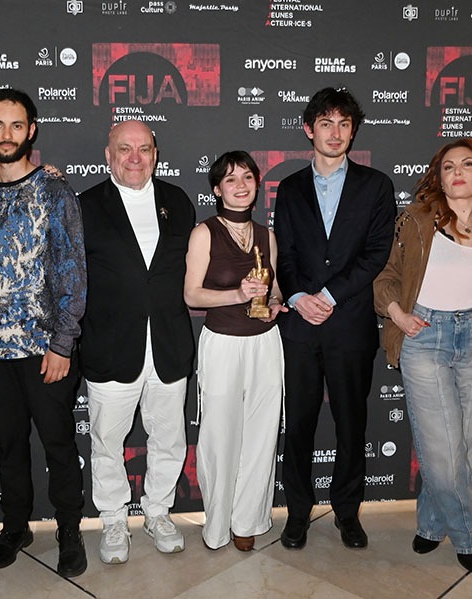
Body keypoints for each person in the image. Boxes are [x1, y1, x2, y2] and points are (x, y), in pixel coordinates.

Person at [373, 138, 472, 574]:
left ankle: (431, 523)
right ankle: (467, 534)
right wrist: (399, 314)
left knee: (468, 445)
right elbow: (386, 276)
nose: (457, 172)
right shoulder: (416, 221)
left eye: (467, 164)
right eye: (448, 167)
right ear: (438, 178)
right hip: (424, 334)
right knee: (441, 448)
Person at [0, 88, 87, 577]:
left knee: (58, 444)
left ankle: (70, 531)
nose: (7, 134)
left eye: (17, 125)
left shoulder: (56, 192)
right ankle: (15, 527)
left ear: (31, 130)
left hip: (45, 350)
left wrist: (62, 342)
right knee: (8, 444)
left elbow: (73, 268)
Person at [274, 87, 395, 551]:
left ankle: (348, 512)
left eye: (344, 124)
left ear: (353, 131)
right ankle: (298, 513)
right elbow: (284, 255)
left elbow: (376, 254)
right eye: (326, 123)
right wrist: (301, 296)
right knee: (299, 422)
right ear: (309, 130)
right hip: (301, 326)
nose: (335, 133)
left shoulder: (376, 186)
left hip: (350, 326)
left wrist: (326, 294)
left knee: (351, 423)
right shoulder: (289, 188)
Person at [79, 120, 195, 565]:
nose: (134, 157)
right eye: (124, 149)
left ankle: (158, 512)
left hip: (168, 345)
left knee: (169, 438)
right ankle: (112, 518)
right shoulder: (85, 205)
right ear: (108, 155)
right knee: (107, 441)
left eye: (143, 148)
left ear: (155, 153)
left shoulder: (177, 201)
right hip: (110, 346)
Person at [183, 151, 287, 551]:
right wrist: (237, 293)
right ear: (216, 189)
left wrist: (274, 304)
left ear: (257, 184)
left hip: (264, 344)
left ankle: (247, 521)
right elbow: (191, 293)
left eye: (247, 177)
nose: (240, 185)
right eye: (230, 179)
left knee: (261, 436)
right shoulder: (204, 232)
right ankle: (218, 523)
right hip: (223, 343)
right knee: (219, 435)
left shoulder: (267, 235)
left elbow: (274, 288)